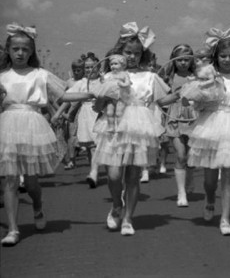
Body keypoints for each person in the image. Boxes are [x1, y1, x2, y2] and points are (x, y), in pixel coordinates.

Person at [0, 23, 93, 246]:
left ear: (32, 51)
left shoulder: (40, 74)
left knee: (31, 183)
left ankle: (38, 206)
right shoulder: (2, 76)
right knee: (10, 179)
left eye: (25, 49)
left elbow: (63, 95)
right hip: (7, 124)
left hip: (32, 124)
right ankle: (13, 229)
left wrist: (89, 93)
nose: (20, 53)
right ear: (8, 50)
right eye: (15, 49)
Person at [92, 21, 178, 236]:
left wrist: (179, 94)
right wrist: (101, 99)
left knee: (132, 176)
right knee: (113, 175)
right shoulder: (109, 76)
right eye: (127, 52)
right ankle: (116, 205)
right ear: (119, 52)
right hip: (113, 127)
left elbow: (162, 100)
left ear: (143, 55)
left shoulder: (149, 77)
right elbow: (97, 106)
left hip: (138, 128)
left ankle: (128, 218)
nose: (131, 57)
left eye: (136, 54)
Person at [185, 27, 230, 236]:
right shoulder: (209, 75)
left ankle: (225, 218)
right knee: (209, 177)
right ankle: (208, 199)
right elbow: (196, 101)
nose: (227, 60)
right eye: (223, 56)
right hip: (210, 124)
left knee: (227, 173)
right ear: (216, 57)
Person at [52, 53, 102, 188]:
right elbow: (68, 98)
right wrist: (57, 113)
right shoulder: (81, 83)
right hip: (86, 115)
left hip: (100, 115)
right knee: (91, 146)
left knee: (96, 146)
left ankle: (94, 172)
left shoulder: (104, 81)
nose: (90, 70)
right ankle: (93, 171)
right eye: (87, 67)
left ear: (99, 67)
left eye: (93, 67)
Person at [161, 44, 198, 207]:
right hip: (175, 117)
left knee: (190, 156)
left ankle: (189, 180)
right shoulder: (168, 77)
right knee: (181, 154)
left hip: (193, 118)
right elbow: (161, 99)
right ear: (174, 60)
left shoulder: (197, 76)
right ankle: (181, 192)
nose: (183, 63)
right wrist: (175, 95)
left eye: (186, 60)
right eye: (180, 60)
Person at [97, 54, 132, 132]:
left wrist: (123, 84)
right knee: (109, 112)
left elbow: (128, 83)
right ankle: (111, 126)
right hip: (110, 97)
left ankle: (120, 126)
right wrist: (102, 77)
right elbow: (104, 83)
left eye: (115, 64)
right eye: (111, 64)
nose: (113, 66)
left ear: (122, 65)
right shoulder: (109, 75)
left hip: (121, 97)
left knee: (119, 113)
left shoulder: (124, 74)